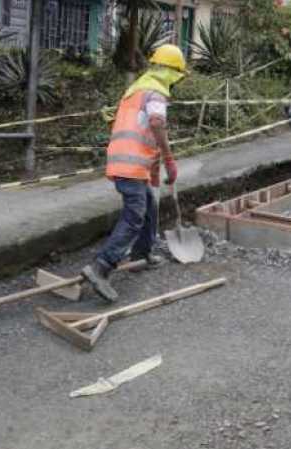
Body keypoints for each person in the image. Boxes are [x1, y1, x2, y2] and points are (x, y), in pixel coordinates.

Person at [82, 44, 187, 302]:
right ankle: (101, 267)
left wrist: (153, 171)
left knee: (149, 205)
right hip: (129, 164)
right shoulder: (156, 93)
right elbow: (155, 124)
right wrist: (170, 160)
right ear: (172, 72)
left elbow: (142, 133)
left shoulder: (136, 90)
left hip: (127, 162)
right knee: (134, 215)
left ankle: (142, 253)